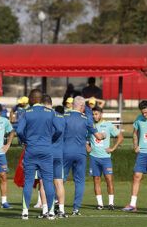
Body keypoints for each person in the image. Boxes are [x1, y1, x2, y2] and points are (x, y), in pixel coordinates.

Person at [16, 89, 63, 220]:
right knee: (48, 181)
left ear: (31, 99)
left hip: (31, 150)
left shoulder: (26, 112)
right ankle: (51, 212)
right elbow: (59, 129)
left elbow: (19, 130)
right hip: (46, 150)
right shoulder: (50, 112)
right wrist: (51, 139)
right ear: (41, 100)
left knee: (28, 181)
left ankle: (25, 211)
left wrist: (26, 139)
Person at [63, 96, 105, 215]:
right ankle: (76, 209)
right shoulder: (86, 118)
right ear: (81, 106)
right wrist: (104, 135)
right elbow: (98, 136)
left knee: (61, 179)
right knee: (79, 181)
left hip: (65, 151)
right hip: (80, 152)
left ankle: (57, 203)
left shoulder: (64, 116)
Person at [35, 98, 68, 218]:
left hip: (45, 153)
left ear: (43, 105)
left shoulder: (43, 117)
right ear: (51, 104)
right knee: (59, 181)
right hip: (58, 153)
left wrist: (50, 139)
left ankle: (45, 210)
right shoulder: (61, 117)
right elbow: (64, 134)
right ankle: (62, 210)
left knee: (43, 182)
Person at [86, 106, 123, 210]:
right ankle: (100, 204)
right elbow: (82, 136)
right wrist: (87, 146)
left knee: (109, 180)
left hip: (106, 158)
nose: (94, 116)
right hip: (94, 157)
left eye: (96, 114)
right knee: (96, 180)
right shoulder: (90, 125)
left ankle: (111, 204)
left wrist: (113, 148)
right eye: (93, 114)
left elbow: (120, 136)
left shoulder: (108, 125)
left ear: (101, 114)